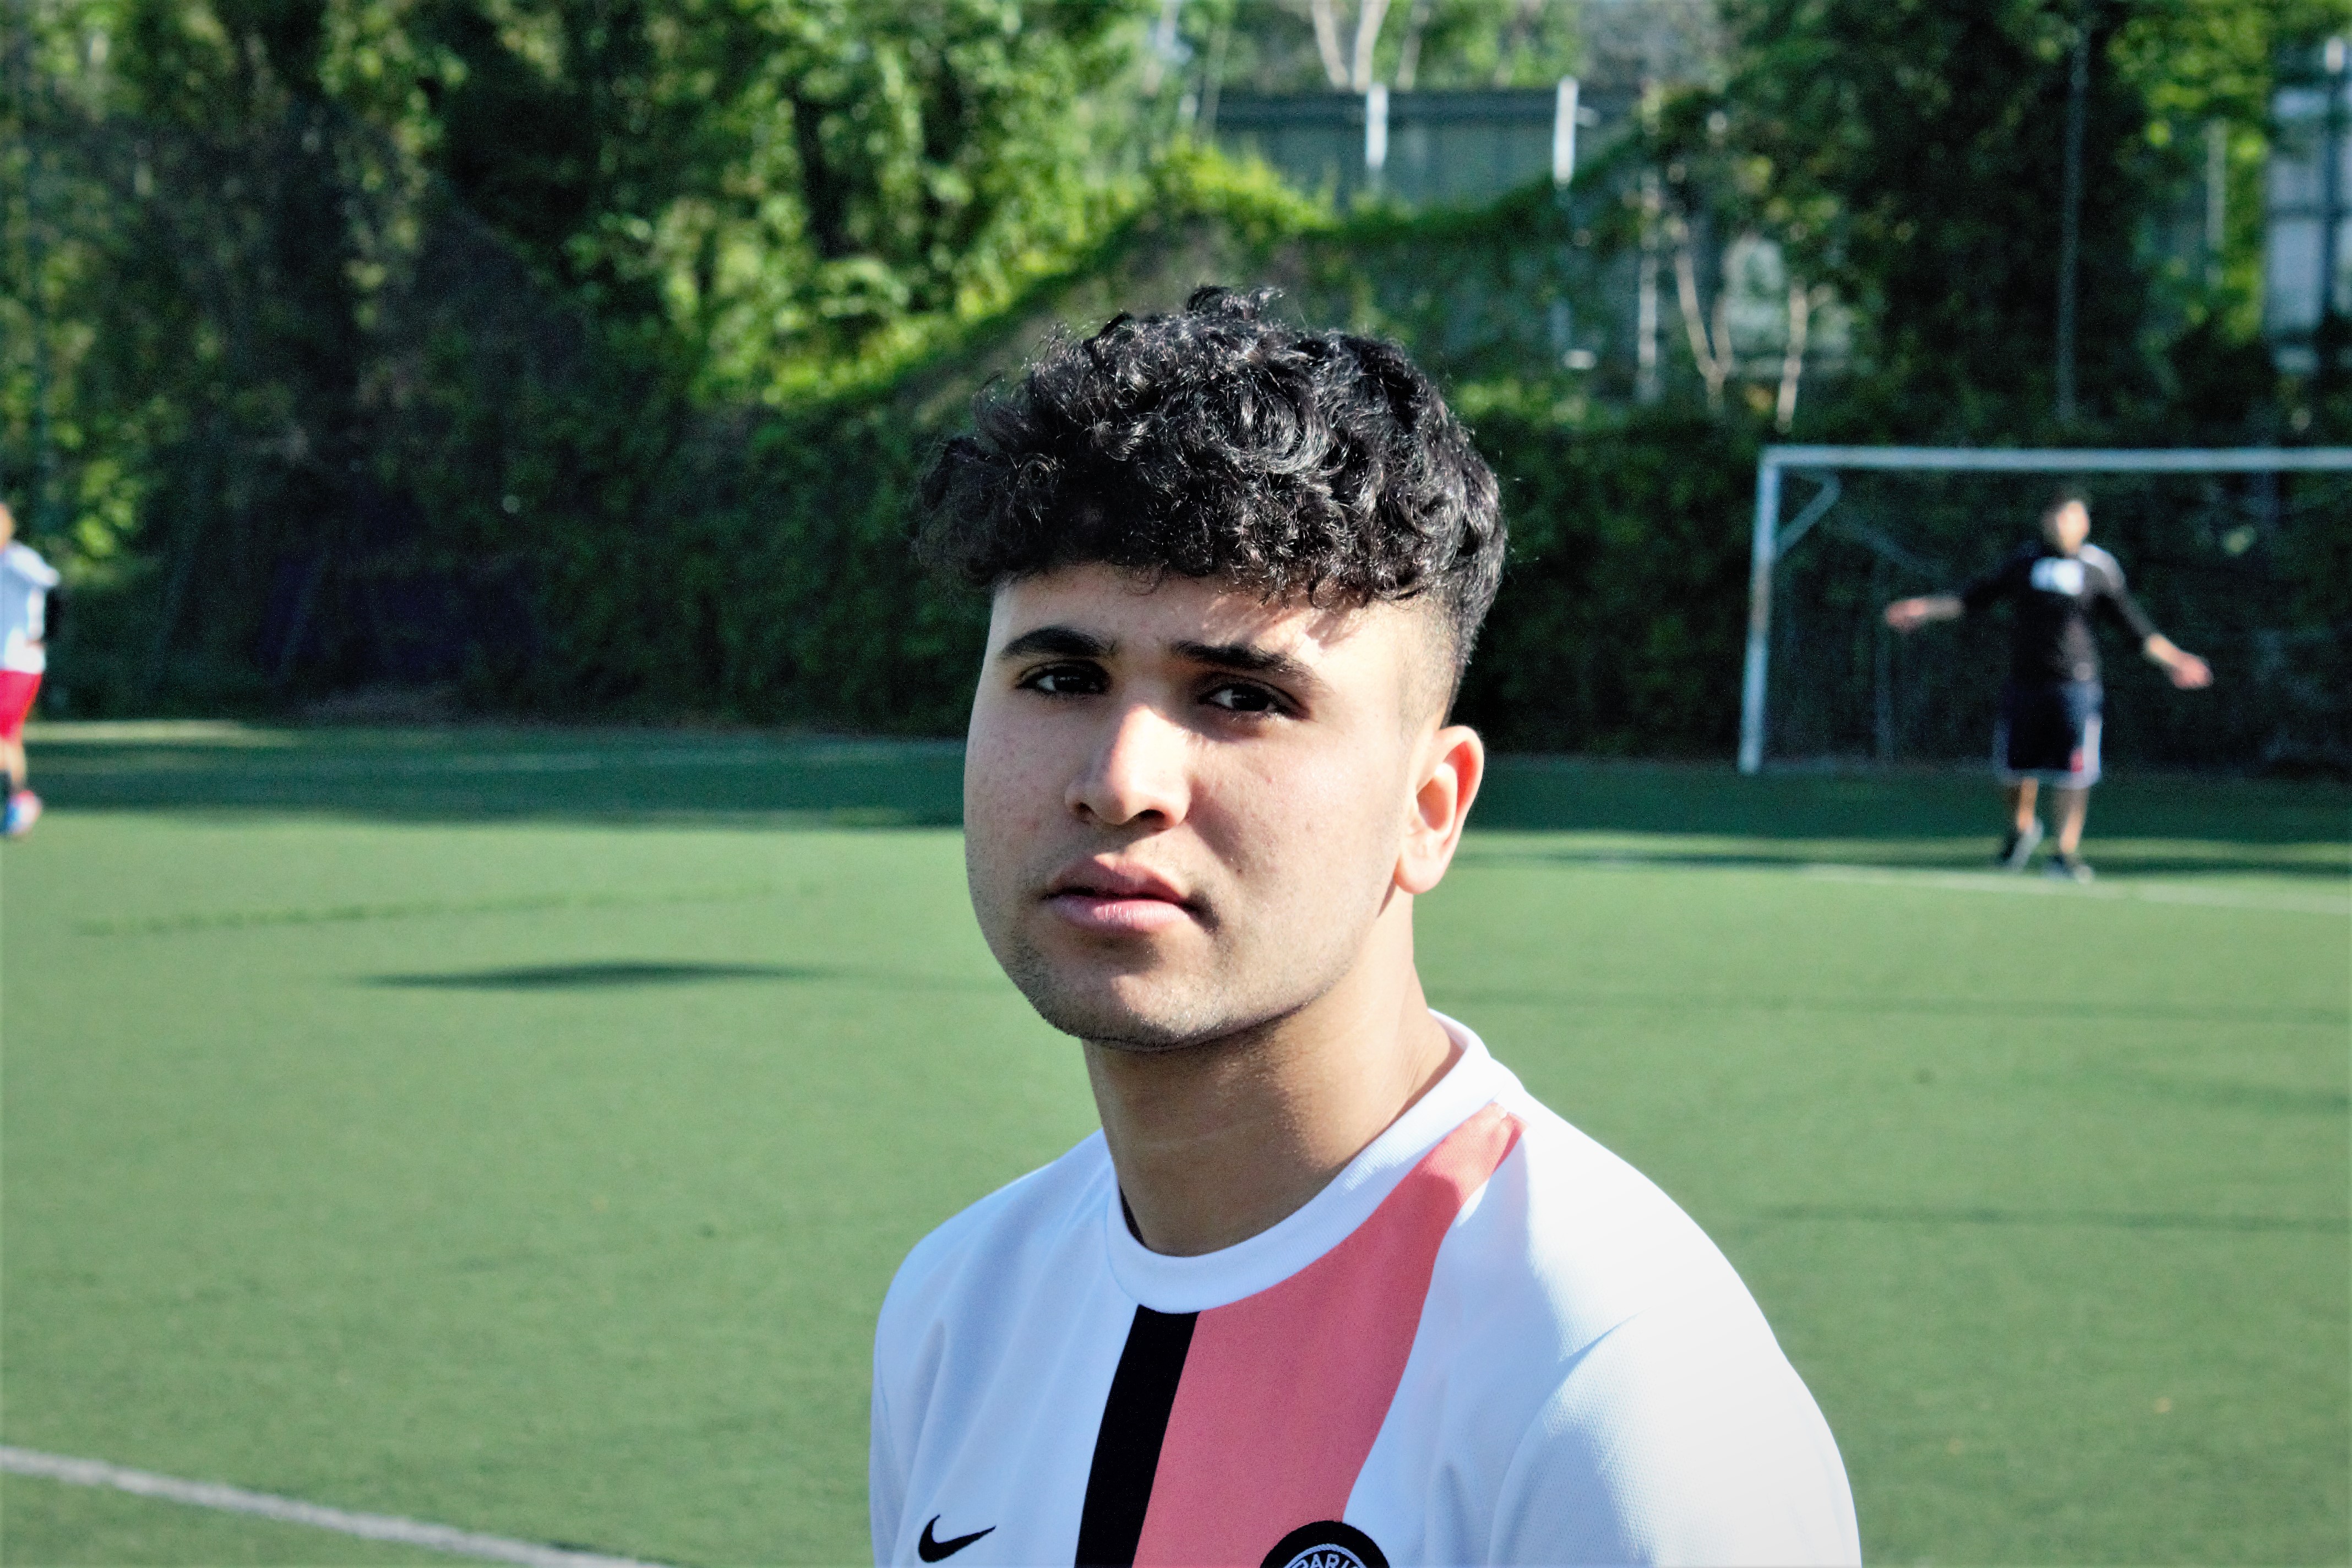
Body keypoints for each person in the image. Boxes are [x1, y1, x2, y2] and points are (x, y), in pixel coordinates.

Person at [868, 289, 1858, 1567]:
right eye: (1061, 677)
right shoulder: (958, 1311)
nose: (1120, 780)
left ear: (1430, 808)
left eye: (1242, 695)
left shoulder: (1621, 1391)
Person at [1883, 487, 2212, 882]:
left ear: (2085, 523)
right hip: (2025, 684)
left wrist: (2177, 660)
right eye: (2055, 515)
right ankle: (2022, 829)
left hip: (2076, 686)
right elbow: (1974, 598)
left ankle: (2064, 853)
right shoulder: (2025, 562)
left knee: (2074, 772)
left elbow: (2135, 629)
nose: (2061, 523)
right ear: (2045, 520)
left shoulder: (2098, 568)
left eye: (2070, 516)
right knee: (2014, 771)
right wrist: (1923, 609)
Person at [0, 500, 60, 839]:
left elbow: (58, 590)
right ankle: (18, 800)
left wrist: (46, 637)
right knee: (8, 738)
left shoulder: (19, 560)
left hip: (18, 665)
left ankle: (20, 800)